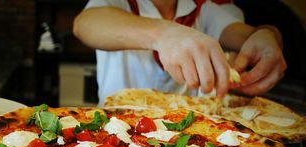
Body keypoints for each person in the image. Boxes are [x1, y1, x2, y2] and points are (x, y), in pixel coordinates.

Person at [73, 0, 286, 105]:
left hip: (188, 136)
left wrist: (270, 34)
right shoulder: (116, 3)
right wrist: (164, 33)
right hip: (117, 131)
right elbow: (85, 24)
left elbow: (250, 37)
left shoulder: (203, 9)